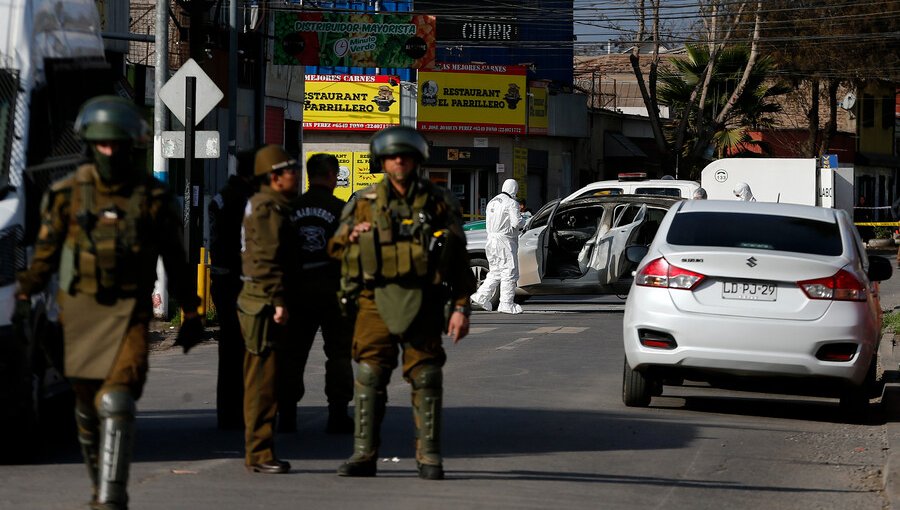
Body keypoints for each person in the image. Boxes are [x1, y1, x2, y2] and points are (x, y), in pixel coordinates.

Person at [12, 95, 203, 510]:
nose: (110, 152)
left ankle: (110, 497)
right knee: (85, 405)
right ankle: (98, 475)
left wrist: (192, 310)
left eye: (117, 145)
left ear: (131, 145)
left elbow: (176, 258)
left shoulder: (152, 198)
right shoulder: (67, 195)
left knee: (117, 401)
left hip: (129, 317)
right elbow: (43, 256)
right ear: (89, 145)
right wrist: (24, 295)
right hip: (78, 315)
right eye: (102, 145)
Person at [328, 126, 475, 480]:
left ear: (417, 160)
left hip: (423, 300)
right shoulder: (363, 203)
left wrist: (460, 308)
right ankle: (364, 455)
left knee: (426, 376)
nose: (399, 162)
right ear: (382, 161)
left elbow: (457, 260)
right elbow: (335, 248)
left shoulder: (440, 203)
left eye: (406, 156)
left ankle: (429, 456)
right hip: (374, 300)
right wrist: (351, 235)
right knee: (369, 375)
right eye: (393, 157)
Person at [237, 145, 300, 474]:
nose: (296, 175)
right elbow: (265, 258)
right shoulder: (267, 208)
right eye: (290, 170)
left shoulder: (271, 204)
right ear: (275, 177)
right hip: (262, 301)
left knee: (266, 379)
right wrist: (277, 301)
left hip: (262, 298)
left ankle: (260, 450)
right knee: (262, 381)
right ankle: (259, 452)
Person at [281, 153, 354, 434]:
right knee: (338, 354)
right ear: (334, 176)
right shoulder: (342, 210)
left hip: (296, 292)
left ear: (308, 176)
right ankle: (337, 415)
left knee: (292, 354)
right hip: (334, 292)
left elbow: (279, 253)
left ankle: (286, 414)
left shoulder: (290, 209)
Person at [208, 149, 257, 430]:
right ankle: (243, 412)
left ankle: (227, 413)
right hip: (241, 280)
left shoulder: (224, 195)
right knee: (249, 350)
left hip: (221, 277)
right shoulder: (247, 199)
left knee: (229, 350)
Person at [470, 179, 525, 314]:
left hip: (491, 240)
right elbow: (516, 223)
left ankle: (480, 296)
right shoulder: (511, 203)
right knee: (509, 271)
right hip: (504, 241)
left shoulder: (492, 202)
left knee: (495, 272)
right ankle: (506, 303)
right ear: (514, 189)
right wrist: (525, 220)